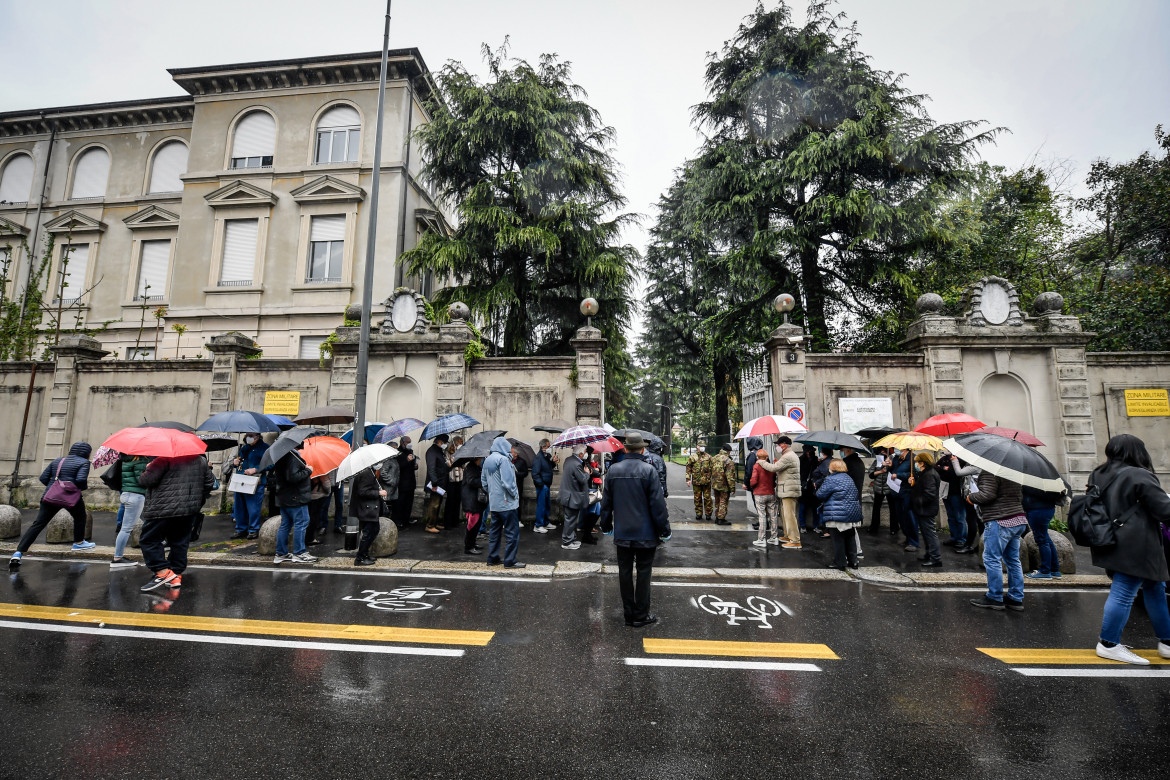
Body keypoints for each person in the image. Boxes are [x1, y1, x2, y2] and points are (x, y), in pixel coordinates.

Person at [1086, 434, 1170, 664]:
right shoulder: (1139, 474)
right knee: (1124, 592)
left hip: (1110, 538)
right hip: (1138, 543)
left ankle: (1167, 642)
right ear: (1138, 451)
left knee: (1155, 587)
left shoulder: (1098, 474)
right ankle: (1108, 644)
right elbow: (1164, 510)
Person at [599, 432, 670, 627]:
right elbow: (658, 505)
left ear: (625, 448)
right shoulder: (649, 471)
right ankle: (641, 614)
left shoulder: (613, 470)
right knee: (644, 572)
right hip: (646, 533)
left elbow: (606, 503)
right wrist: (664, 530)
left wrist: (606, 526)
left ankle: (628, 613)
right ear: (642, 449)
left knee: (624, 572)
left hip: (623, 532)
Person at [136, 453, 216, 591]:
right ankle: (176, 574)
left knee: (149, 540)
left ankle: (163, 572)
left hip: (163, 508)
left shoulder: (162, 459)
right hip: (189, 509)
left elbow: (145, 481)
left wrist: (148, 469)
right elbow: (210, 483)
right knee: (179, 542)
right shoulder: (201, 460)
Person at [11, 442, 94, 568]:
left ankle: (18, 553)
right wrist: (79, 488)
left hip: (50, 496)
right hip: (71, 497)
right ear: (86, 453)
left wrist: (54, 488)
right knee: (80, 517)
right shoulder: (84, 462)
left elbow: (43, 478)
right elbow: (81, 480)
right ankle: (78, 543)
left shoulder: (58, 460)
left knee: (38, 524)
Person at [967, 469, 1027, 611]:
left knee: (991, 558)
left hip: (1000, 520)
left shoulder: (990, 471)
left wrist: (971, 497)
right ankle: (1015, 598)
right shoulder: (1013, 472)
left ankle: (994, 596)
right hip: (1017, 518)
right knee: (1013, 560)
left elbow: (987, 495)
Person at [271, 448, 317, 565]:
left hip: (284, 497)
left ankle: (281, 553)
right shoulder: (292, 458)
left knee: (285, 525)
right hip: (296, 497)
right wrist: (308, 470)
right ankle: (299, 553)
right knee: (301, 523)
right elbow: (293, 477)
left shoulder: (281, 456)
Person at [483, 437, 523, 568]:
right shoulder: (504, 460)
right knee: (512, 533)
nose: (510, 450)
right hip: (507, 503)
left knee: (495, 532)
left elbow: (483, 482)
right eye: (508, 447)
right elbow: (508, 483)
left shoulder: (487, 459)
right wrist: (515, 495)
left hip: (494, 503)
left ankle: (492, 558)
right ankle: (510, 560)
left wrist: (492, 493)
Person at [816, 459, 862, 570]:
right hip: (851, 513)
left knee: (838, 539)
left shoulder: (831, 479)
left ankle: (840, 563)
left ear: (833, 468)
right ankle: (853, 561)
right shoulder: (848, 478)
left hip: (837, 513)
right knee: (850, 537)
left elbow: (820, 494)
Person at [760, 436, 803, 549]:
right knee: (785, 514)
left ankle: (795, 540)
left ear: (784, 444)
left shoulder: (788, 456)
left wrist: (761, 462)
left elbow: (774, 468)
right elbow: (780, 467)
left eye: (778, 444)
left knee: (790, 515)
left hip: (789, 490)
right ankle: (788, 535)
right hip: (787, 489)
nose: (777, 447)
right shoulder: (788, 456)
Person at [112, 454, 150, 568]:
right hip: (136, 496)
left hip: (127, 493)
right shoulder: (139, 461)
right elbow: (142, 481)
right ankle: (117, 558)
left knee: (127, 527)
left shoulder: (125, 460)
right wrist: (148, 469)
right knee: (126, 529)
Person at [230, 433, 268, 540]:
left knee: (253, 508)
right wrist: (235, 463)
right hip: (240, 480)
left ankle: (253, 530)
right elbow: (240, 461)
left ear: (258, 437)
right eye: (248, 435)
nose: (249, 438)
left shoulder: (265, 448)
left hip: (255, 481)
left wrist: (256, 469)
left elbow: (270, 464)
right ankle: (240, 529)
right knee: (239, 507)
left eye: (251, 436)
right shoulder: (244, 448)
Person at [909, 452, 943, 568]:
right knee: (926, 533)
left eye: (917, 462)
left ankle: (935, 558)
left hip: (926, 510)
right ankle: (929, 554)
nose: (916, 465)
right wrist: (914, 483)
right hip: (924, 509)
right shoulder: (925, 474)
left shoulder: (929, 475)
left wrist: (916, 501)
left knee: (930, 534)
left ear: (922, 463)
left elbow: (929, 494)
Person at [348, 464, 387, 566]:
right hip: (367, 509)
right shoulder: (366, 473)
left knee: (373, 530)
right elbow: (362, 491)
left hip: (368, 509)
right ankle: (360, 557)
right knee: (369, 533)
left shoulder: (369, 472)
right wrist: (378, 493)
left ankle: (364, 554)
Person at [1022, 486, 1063, 579]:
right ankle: (1054, 570)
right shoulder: (1047, 478)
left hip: (1037, 509)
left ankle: (1045, 571)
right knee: (1045, 538)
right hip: (1047, 508)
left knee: (1042, 540)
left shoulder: (1033, 481)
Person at [559, 444, 591, 550]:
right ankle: (567, 542)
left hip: (568, 494)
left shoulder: (569, 460)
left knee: (571, 519)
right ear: (581, 454)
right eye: (585, 452)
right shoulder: (576, 464)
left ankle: (571, 539)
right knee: (570, 519)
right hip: (571, 496)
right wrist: (587, 473)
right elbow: (582, 479)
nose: (586, 453)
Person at [749, 449, 778, 548]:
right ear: (766, 457)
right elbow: (774, 479)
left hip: (760, 493)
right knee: (773, 515)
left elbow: (753, 481)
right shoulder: (770, 466)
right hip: (770, 493)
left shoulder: (756, 466)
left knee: (762, 516)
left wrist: (753, 486)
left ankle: (761, 539)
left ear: (757, 457)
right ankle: (774, 538)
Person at [423, 433, 450, 533]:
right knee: (434, 505)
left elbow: (441, 466)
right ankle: (429, 525)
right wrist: (434, 483)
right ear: (439, 442)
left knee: (437, 504)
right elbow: (432, 468)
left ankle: (434, 523)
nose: (446, 444)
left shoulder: (439, 451)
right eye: (445, 442)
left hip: (441, 483)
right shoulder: (432, 451)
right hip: (436, 484)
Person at [892, 449, 918, 551]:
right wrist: (889, 466)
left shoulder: (913, 458)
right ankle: (907, 537)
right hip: (897, 491)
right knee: (901, 517)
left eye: (898, 446)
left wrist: (899, 475)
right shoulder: (896, 458)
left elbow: (915, 474)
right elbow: (893, 471)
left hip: (908, 492)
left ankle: (914, 542)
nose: (896, 448)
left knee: (910, 517)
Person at [867, 448, 895, 534]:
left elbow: (895, 472)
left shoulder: (893, 461)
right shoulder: (877, 461)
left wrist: (889, 465)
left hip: (890, 488)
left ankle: (894, 528)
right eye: (880, 452)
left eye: (884, 452)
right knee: (876, 508)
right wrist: (880, 471)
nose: (882, 453)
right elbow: (871, 474)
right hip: (878, 488)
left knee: (893, 508)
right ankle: (874, 528)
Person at [531, 439, 557, 533]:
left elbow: (548, 468)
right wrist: (541, 484)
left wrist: (553, 462)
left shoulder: (547, 456)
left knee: (547, 505)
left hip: (547, 484)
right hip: (542, 485)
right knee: (541, 505)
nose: (550, 448)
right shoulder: (538, 458)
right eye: (548, 446)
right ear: (543, 447)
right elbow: (535, 473)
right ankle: (538, 525)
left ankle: (545, 522)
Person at [462, 457, 487, 555]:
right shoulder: (471, 467)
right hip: (471, 500)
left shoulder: (476, 467)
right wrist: (483, 481)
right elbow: (471, 481)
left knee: (477, 523)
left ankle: (472, 543)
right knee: (472, 524)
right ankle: (468, 547)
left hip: (475, 500)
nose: (482, 459)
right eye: (481, 458)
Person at [392, 436, 418, 526]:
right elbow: (398, 467)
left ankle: (406, 519)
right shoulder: (398, 453)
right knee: (400, 502)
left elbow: (412, 465)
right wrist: (407, 460)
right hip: (402, 482)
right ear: (403, 443)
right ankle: (398, 520)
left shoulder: (410, 451)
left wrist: (415, 466)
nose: (410, 444)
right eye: (408, 442)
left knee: (409, 503)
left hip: (411, 482)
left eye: (410, 442)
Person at [710, 443, 738, 525]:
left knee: (717, 501)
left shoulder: (714, 458)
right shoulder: (728, 460)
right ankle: (721, 519)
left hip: (715, 484)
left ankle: (717, 516)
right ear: (728, 451)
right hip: (724, 485)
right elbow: (730, 476)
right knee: (723, 501)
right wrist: (732, 488)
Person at [685, 445, 714, 521]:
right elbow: (688, 468)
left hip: (706, 482)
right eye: (700, 446)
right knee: (697, 498)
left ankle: (708, 513)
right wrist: (688, 479)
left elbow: (713, 468)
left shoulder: (709, 457)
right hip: (696, 482)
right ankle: (699, 513)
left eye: (703, 446)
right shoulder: (693, 457)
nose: (702, 447)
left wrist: (714, 479)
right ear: (697, 447)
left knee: (707, 498)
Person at [305, 472, 333, 546]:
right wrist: (328, 492)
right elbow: (326, 485)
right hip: (318, 496)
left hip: (308, 496)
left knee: (309, 517)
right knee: (314, 518)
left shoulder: (307, 469)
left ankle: (307, 537)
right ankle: (310, 538)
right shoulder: (320, 470)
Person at [443, 437, 464, 529]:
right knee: (450, 501)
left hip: (460, 479)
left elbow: (464, 465)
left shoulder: (462, 452)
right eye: (459, 443)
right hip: (451, 480)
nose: (460, 445)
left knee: (457, 501)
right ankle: (448, 522)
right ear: (455, 443)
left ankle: (455, 521)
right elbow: (448, 464)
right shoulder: (448, 452)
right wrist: (454, 458)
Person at [797, 446, 818, 532]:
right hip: (804, 487)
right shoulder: (801, 459)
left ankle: (816, 526)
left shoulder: (816, 460)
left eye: (810, 451)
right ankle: (802, 526)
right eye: (807, 451)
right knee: (802, 507)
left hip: (813, 487)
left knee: (815, 508)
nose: (808, 453)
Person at [743, 436, 763, 526]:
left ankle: (762, 523)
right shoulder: (763, 454)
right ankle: (763, 522)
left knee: (758, 504)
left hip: (755, 484)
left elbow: (749, 471)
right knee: (762, 506)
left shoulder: (752, 455)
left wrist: (746, 483)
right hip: (764, 483)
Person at [512, 445, 531, 527]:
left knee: (518, 503)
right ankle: (509, 521)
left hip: (518, 485)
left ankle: (518, 520)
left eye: (511, 452)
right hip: (509, 485)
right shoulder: (507, 460)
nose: (510, 454)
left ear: (516, 454)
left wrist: (517, 474)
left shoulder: (522, 462)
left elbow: (525, 473)